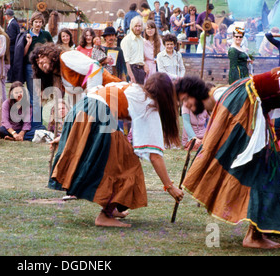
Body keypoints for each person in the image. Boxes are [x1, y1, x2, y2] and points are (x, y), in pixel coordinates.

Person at [49, 73, 184, 228]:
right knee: (129, 166)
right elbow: (155, 156)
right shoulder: (148, 104)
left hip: (81, 107)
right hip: (98, 113)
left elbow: (93, 104)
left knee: (118, 159)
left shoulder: (132, 88)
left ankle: (112, 209)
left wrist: (68, 135)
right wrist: (169, 186)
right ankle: (105, 215)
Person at [175, 72, 280, 249]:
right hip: (258, 128)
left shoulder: (222, 95)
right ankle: (255, 235)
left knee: (269, 171)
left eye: (185, 99)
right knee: (263, 174)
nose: (186, 105)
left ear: (195, 92)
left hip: (258, 128)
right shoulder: (221, 97)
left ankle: (263, 228)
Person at [30, 43, 121, 107]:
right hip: (102, 103)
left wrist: (91, 99)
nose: (40, 62)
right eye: (38, 62)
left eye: (42, 57)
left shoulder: (66, 57)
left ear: (50, 54)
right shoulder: (60, 77)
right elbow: (75, 99)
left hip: (113, 91)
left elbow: (94, 67)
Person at [12, 11, 53, 104]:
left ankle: (38, 118)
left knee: (43, 96)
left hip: (43, 68)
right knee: (34, 96)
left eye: (40, 22)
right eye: (36, 22)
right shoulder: (25, 35)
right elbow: (22, 55)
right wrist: (28, 43)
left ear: (42, 23)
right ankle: (34, 118)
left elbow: (52, 50)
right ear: (32, 22)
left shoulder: (46, 35)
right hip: (30, 67)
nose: (38, 24)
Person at [120, 16, 146, 84]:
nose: (138, 28)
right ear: (132, 26)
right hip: (132, 69)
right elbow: (126, 61)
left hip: (141, 70)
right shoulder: (127, 40)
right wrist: (131, 76)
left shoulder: (141, 39)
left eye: (139, 26)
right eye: (136, 26)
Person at [5, 9, 20, 82]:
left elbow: (11, 37)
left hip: (12, 47)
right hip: (13, 47)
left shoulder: (12, 24)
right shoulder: (14, 23)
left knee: (10, 62)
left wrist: (6, 43)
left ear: (7, 16)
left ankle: (10, 78)